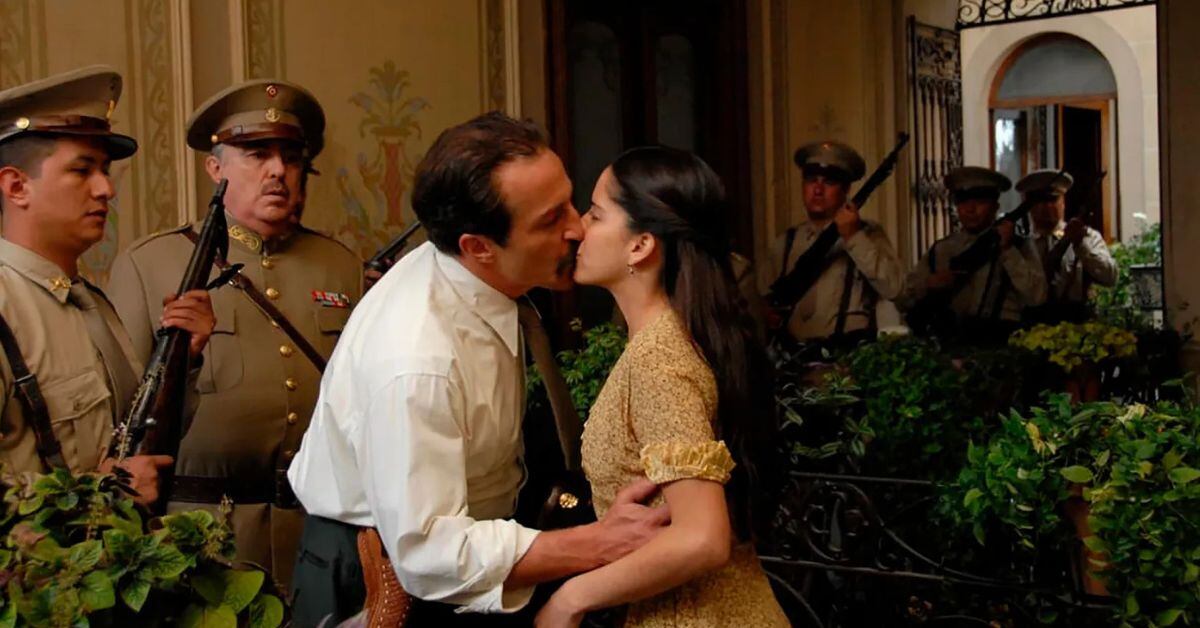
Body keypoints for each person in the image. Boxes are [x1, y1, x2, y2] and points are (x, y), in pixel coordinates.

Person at [286, 112, 668, 626]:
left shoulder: (478, 277)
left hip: (466, 555)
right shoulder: (416, 361)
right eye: (550, 220)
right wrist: (600, 543)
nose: (577, 228)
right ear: (478, 247)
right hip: (384, 583)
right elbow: (428, 553)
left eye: (570, 202)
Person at [106, 79, 362, 587]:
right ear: (215, 168)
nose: (278, 171)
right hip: (200, 536)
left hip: (314, 533)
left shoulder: (339, 264)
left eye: (290, 157)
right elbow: (121, 416)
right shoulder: (150, 264)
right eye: (257, 154)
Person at [535, 146, 788, 627]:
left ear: (640, 246)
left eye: (596, 214)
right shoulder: (668, 341)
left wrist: (570, 599)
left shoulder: (660, 357)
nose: (580, 228)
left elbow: (702, 538)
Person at [0, 65, 214, 504]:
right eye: (82, 171)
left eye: (104, 170)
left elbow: (137, 445)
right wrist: (98, 492)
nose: (106, 190)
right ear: (16, 186)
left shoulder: (91, 303)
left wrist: (182, 360)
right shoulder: (6, 306)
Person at [760, 140, 904, 343]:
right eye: (811, 180)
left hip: (847, 357)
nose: (818, 190)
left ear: (846, 190)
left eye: (828, 182)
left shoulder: (868, 235)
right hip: (793, 357)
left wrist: (853, 237)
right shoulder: (785, 243)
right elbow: (759, 304)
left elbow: (895, 289)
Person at [899, 166, 1047, 340]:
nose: (970, 209)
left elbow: (1037, 297)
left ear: (995, 206)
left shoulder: (1018, 245)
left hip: (1001, 342)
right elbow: (903, 299)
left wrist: (1008, 251)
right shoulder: (942, 249)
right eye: (963, 201)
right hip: (950, 343)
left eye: (980, 201)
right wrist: (928, 283)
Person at [1022, 169, 1117, 322]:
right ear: (1029, 205)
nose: (1046, 207)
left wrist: (1081, 245)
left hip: (1075, 323)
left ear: (1063, 202)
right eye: (1040, 201)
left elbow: (1110, 276)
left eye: (1052, 200)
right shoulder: (1020, 244)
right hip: (1030, 323)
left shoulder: (1087, 237)